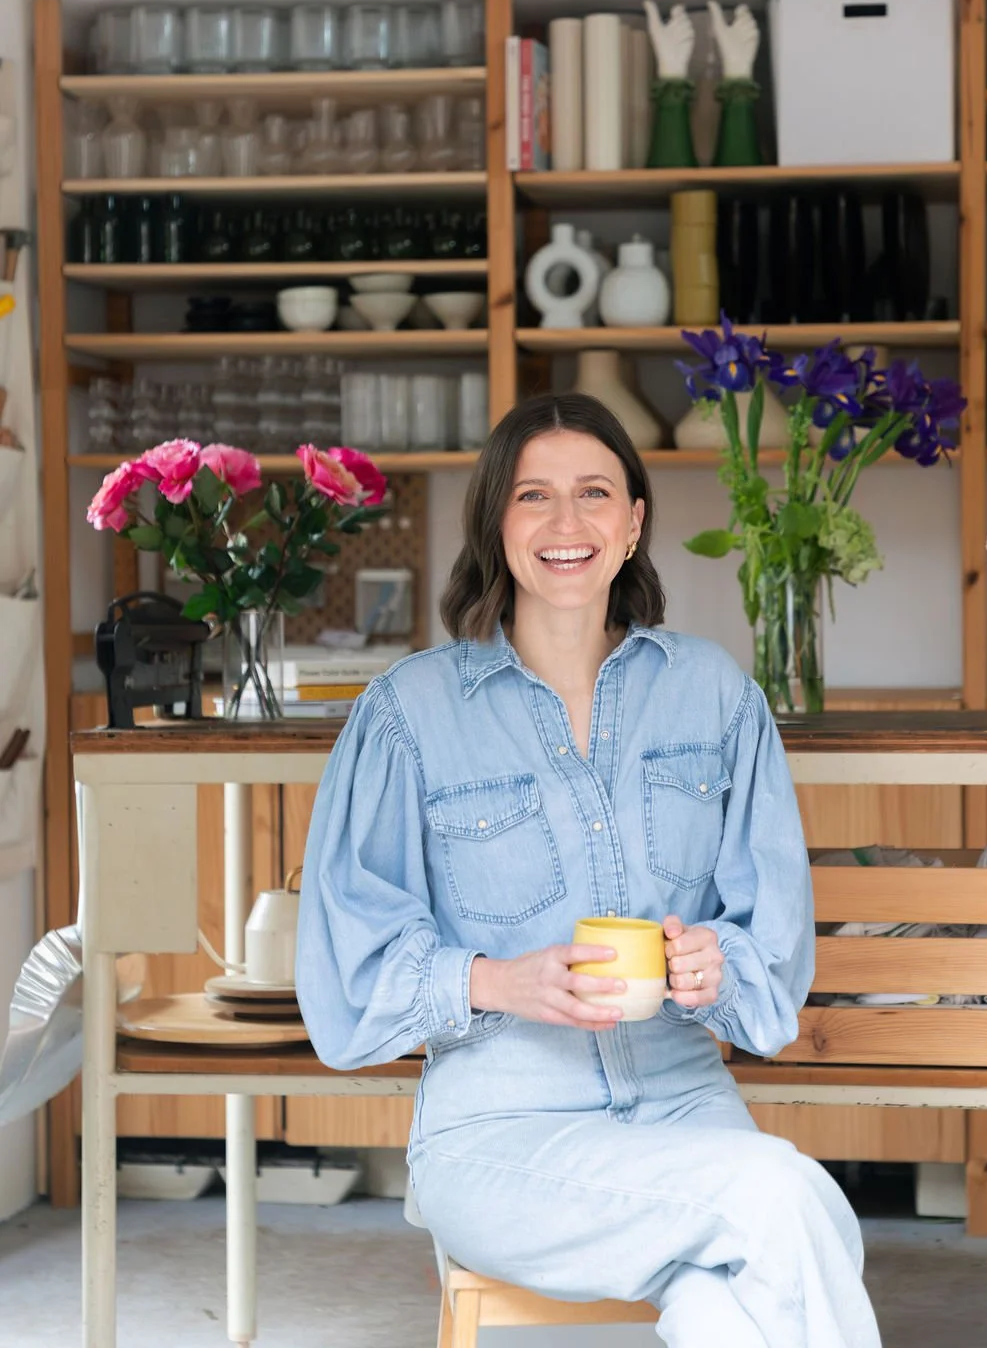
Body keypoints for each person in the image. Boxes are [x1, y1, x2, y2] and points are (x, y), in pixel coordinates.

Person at [296, 393, 882, 1348]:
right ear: (496, 521)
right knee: (783, 1199)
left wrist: (715, 965)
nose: (566, 525)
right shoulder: (410, 712)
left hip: (690, 1110)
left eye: (594, 493)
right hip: (498, 1133)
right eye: (534, 496)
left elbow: (769, 949)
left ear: (634, 521)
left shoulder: (714, 696)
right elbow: (343, 979)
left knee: (731, 1299)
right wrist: (496, 980)